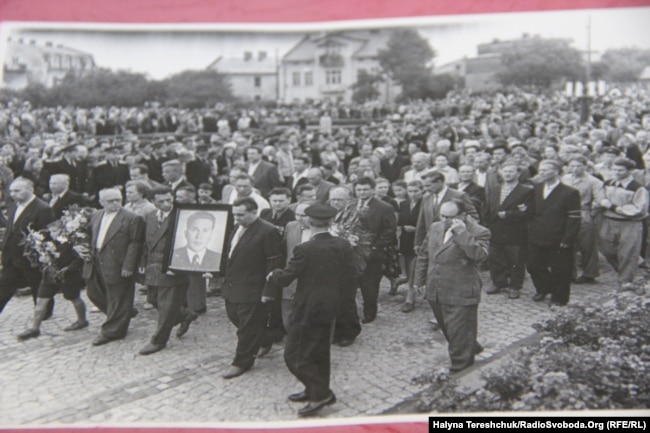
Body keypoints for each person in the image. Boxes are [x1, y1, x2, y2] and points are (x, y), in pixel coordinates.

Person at [269, 203, 355, 417]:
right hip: (330, 306)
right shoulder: (343, 245)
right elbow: (350, 278)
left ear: (308, 222)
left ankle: (321, 394)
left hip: (307, 308)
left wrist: (273, 274)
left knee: (294, 355)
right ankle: (313, 390)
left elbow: (286, 277)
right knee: (319, 352)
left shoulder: (305, 249)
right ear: (330, 222)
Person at [413, 199, 490, 373]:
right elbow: (424, 255)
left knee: (457, 329)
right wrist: (419, 280)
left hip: (461, 290)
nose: (445, 220)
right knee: (449, 327)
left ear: (463, 215)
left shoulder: (479, 231)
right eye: (443, 215)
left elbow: (479, 256)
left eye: (450, 216)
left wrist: (462, 233)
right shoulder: (435, 227)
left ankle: (461, 367)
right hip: (436, 288)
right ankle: (470, 345)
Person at [221, 197, 283, 379]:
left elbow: (274, 263)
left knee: (246, 328)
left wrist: (268, 291)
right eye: (235, 215)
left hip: (253, 288)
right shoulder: (238, 227)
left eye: (241, 215)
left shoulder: (268, 231)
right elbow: (231, 254)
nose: (236, 218)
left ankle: (242, 362)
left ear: (253, 212)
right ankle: (265, 337)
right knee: (234, 317)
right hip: (233, 285)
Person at [138, 186, 198, 355]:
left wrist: (179, 265)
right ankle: (185, 315)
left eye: (168, 200)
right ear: (152, 202)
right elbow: (147, 243)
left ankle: (158, 340)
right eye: (161, 201)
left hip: (175, 268)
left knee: (166, 307)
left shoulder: (183, 215)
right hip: (154, 267)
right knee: (153, 299)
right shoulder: (150, 216)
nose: (166, 204)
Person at [81, 187, 144, 346]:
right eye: (111, 201)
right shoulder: (96, 215)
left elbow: (135, 244)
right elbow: (89, 236)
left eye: (118, 200)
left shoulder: (132, 218)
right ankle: (125, 313)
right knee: (93, 293)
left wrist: (128, 266)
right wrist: (83, 248)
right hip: (96, 262)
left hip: (118, 263)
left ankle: (112, 331)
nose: (116, 203)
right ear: (101, 202)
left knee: (118, 297)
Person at [17, 220, 88, 340]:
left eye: (55, 230)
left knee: (74, 298)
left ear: (62, 229)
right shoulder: (44, 241)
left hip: (67, 275)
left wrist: (68, 269)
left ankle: (82, 320)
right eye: (51, 231)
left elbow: (79, 260)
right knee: (41, 300)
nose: (52, 233)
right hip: (50, 275)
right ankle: (34, 328)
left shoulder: (71, 241)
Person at [527, 160, 581, 306]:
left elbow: (574, 217)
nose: (541, 173)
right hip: (538, 235)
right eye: (541, 170)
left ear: (556, 172)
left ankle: (559, 298)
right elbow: (532, 210)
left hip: (559, 237)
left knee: (561, 269)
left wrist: (568, 238)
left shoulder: (570, 192)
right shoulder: (536, 188)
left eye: (545, 170)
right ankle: (544, 288)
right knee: (533, 265)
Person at [0, 178, 55, 315]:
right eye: (11, 191)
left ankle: (45, 312)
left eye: (17, 191)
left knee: (37, 284)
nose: (12, 194)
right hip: (12, 258)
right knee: (3, 285)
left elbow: (46, 234)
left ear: (30, 189)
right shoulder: (14, 205)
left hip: (30, 259)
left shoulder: (42, 208)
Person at [597, 157, 648, 294]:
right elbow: (601, 198)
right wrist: (602, 202)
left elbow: (638, 209)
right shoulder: (608, 183)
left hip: (630, 223)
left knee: (628, 253)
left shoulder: (637, 187)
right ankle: (626, 270)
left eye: (620, 170)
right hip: (608, 221)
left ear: (629, 171)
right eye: (614, 169)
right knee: (606, 248)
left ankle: (624, 285)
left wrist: (613, 207)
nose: (617, 172)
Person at [483, 162, 534, 299]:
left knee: (516, 259)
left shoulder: (526, 190)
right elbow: (488, 207)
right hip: (495, 229)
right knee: (495, 258)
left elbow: (529, 212)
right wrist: (486, 223)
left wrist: (509, 214)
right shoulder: (495, 188)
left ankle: (515, 286)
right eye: (505, 171)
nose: (507, 174)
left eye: (511, 171)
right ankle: (498, 282)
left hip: (515, 230)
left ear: (518, 174)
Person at [354, 177, 397, 323]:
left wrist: (374, 246)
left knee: (370, 283)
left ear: (372, 189)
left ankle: (369, 312)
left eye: (365, 189)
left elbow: (390, 230)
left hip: (372, 252)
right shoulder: (352, 204)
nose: (362, 192)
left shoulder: (384, 207)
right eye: (359, 189)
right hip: (353, 250)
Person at [561, 156, 604, 284]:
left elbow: (600, 200)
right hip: (566, 215)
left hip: (583, 214)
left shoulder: (593, 181)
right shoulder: (565, 178)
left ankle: (589, 273)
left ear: (585, 166)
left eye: (578, 166)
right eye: (572, 166)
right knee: (568, 244)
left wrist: (592, 214)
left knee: (587, 246)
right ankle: (569, 273)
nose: (575, 169)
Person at [398, 180, 423, 312]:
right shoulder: (404, 204)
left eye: (416, 191)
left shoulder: (425, 204)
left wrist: (416, 229)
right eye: (410, 191)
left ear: (422, 191)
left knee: (414, 268)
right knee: (408, 269)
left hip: (418, 240)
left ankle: (410, 299)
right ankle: (414, 288)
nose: (413, 194)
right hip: (405, 240)